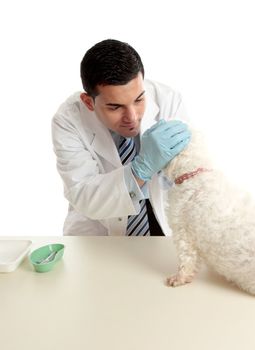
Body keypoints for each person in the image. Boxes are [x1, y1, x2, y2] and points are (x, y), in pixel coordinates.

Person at [52, 39, 190, 236]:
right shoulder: (68, 120)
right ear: (88, 102)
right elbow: (83, 193)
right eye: (115, 107)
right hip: (100, 230)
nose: (132, 117)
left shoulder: (167, 100)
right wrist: (139, 171)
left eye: (139, 100)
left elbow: (190, 174)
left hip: (163, 222)